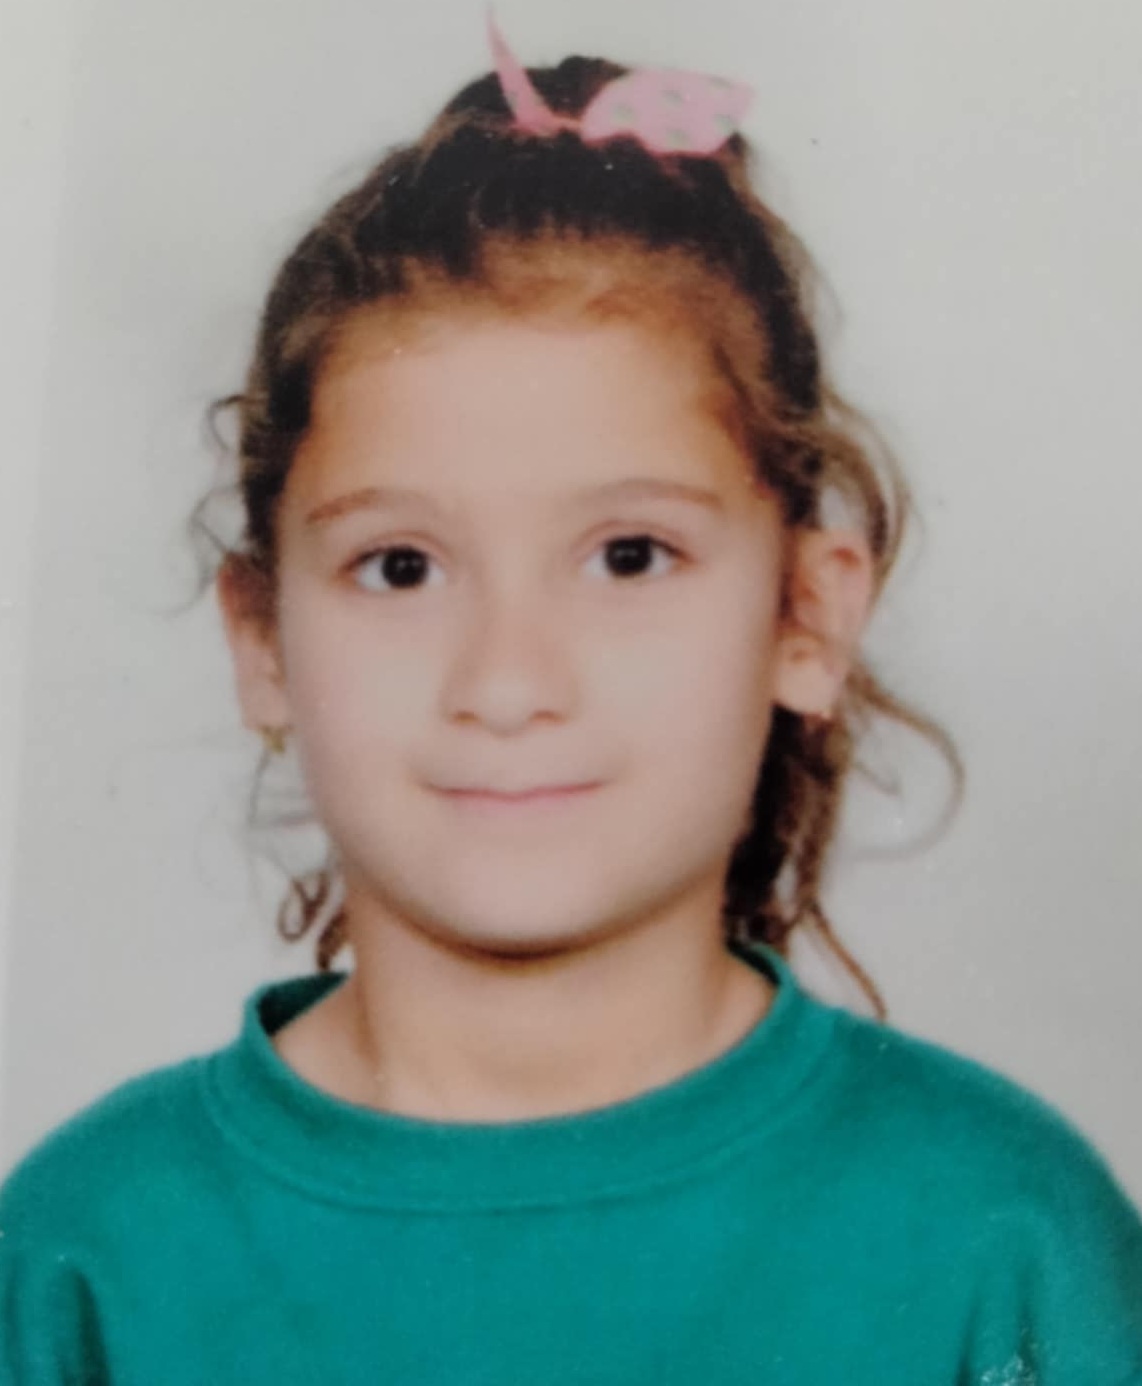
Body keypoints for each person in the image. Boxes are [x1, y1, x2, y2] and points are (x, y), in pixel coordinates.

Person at [2, 12, 1140, 1383]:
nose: (507, 681)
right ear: (262, 640)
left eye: (628, 556)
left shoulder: (1003, 1235)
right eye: (401, 565)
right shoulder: (84, 1255)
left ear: (805, 612)